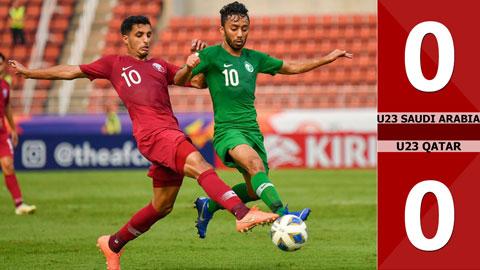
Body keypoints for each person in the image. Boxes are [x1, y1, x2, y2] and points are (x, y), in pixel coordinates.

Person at [9, 15, 278, 270]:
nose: (146, 39)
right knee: (200, 164)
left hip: (169, 132)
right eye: (139, 35)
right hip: (154, 136)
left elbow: (194, 82)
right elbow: (72, 71)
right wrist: (31, 73)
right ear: (125, 38)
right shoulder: (114, 64)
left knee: (162, 206)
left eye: (148, 34)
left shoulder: (159, 65)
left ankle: (112, 244)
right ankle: (242, 213)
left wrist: (197, 62)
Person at [176, 1, 353, 239]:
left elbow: (289, 67)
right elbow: (179, 79)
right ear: (222, 30)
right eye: (234, 28)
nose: (240, 34)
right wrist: (189, 65)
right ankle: (285, 215)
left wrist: (327, 59)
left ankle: (209, 205)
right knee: (256, 166)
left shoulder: (254, 58)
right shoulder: (210, 55)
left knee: (255, 188)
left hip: (252, 131)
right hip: (228, 131)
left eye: (244, 28)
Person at [0, 52, 36, 215]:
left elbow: (7, 108)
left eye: (0, 64)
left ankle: (19, 204)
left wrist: (13, 128)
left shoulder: (5, 86)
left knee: (8, 165)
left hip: (2, 133)